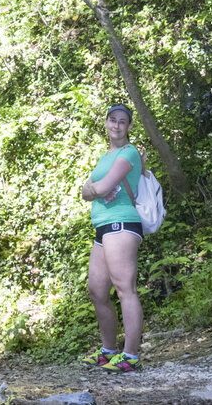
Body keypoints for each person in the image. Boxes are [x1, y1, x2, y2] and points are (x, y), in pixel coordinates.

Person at [79, 103, 144, 372]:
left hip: (122, 222)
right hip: (102, 227)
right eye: (112, 120)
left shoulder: (129, 152)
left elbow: (101, 186)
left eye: (122, 121)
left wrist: (94, 189)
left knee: (123, 288)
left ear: (129, 127)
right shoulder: (105, 156)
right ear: (106, 124)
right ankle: (108, 351)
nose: (116, 125)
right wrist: (94, 189)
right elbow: (84, 191)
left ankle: (130, 357)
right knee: (97, 291)